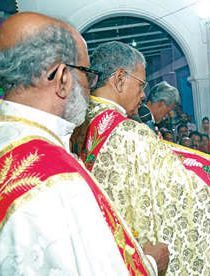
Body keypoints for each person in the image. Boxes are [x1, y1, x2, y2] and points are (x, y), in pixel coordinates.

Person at [71, 41, 210, 275]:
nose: (143, 95)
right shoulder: (125, 134)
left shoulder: (83, 124)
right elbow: (184, 179)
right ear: (120, 78)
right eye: (141, 84)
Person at [0, 12, 163, 275]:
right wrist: (153, 265)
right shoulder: (56, 178)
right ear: (63, 78)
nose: (90, 86)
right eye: (87, 74)